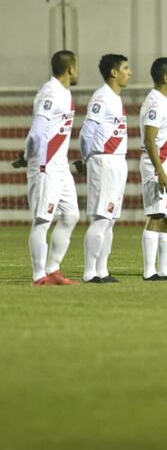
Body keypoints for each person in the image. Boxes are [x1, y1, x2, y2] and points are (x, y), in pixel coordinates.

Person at [25, 50, 80, 285]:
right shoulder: (50, 92)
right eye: (76, 67)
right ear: (70, 69)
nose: (78, 72)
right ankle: (39, 275)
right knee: (43, 220)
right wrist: (28, 156)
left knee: (70, 215)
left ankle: (53, 268)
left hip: (60, 166)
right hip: (46, 165)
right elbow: (37, 131)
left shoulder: (64, 93)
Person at [80, 54, 132, 283]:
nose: (129, 73)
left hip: (117, 160)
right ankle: (89, 271)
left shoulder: (115, 98)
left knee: (110, 219)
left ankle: (102, 270)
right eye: (126, 68)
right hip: (104, 160)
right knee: (101, 218)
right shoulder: (101, 97)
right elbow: (86, 132)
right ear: (114, 72)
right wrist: (86, 158)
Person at [139, 57, 167, 281]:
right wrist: (160, 171)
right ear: (166, 77)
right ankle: (149, 271)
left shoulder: (164, 101)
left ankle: (164, 269)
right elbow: (149, 139)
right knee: (156, 215)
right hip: (157, 168)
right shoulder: (154, 103)